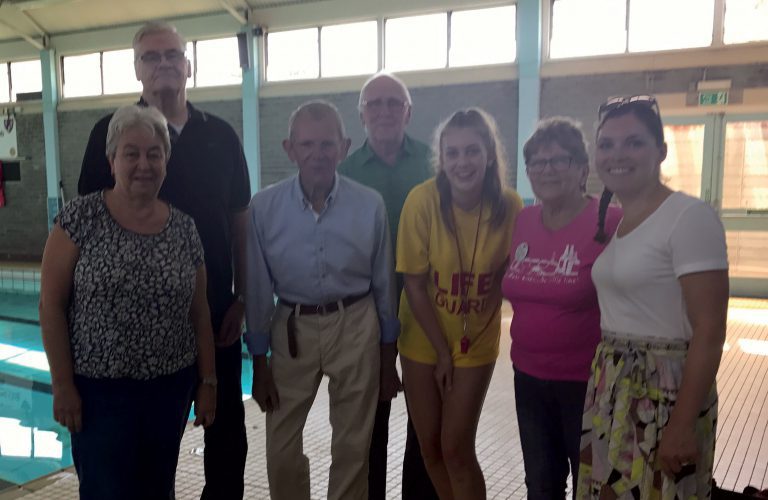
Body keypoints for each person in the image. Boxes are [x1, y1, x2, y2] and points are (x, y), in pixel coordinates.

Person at [77, 21, 250, 499]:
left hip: (215, 314)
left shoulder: (221, 136)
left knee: (227, 439)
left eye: (172, 55)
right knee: (140, 450)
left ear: (188, 65)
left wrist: (243, 297)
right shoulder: (108, 134)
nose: (163, 65)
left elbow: (240, 221)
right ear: (136, 69)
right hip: (138, 327)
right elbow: (86, 229)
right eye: (151, 57)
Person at [39, 105, 216, 500]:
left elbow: (199, 311)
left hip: (169, 388)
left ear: (166, 161)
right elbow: (50, 305)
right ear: (111, 159)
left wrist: (207, 382)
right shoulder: (79, 219)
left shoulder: (184, 228)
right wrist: (63, 384)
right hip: (98, 393)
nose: (143, 164)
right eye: (131, 153)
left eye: (154, 154)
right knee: (105, 491)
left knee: (157, 490)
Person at [245, 100, 400, 500]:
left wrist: (387, 358)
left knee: (352, 446)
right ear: (289, 148)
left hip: (356, 322)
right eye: (307, 144)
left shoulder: (370, 205)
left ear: (345, 146)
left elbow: (385, 284)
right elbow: (259, 289)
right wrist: (258, 362)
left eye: (328, 144)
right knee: (280, 445)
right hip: (292, 325)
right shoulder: (264, 208)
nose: (318, 154)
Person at [576, 95, 729, 498]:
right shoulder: (623, 222)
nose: (617, 154)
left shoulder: (688, 216)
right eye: (606, 144)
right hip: (614, 388)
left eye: (634, 142)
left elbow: (710, 330)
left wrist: (682, 423)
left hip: (663, 394)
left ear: (661, 151)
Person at [397, 108, 523, 499]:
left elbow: (514, 275)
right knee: (430, 446)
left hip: (476, 341)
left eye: (471, 151)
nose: (462, 162)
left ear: (489, 155)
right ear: (441, 157)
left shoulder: (510, 207)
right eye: (452, 153)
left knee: (456, 448)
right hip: (421, 338)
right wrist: (441, 352)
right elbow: (415, 286)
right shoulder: (422, 201)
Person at [501, 117, 621, 499]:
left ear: (583, 170)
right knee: (540, 483)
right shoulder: (523, 220)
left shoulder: (611, 221)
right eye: (536, 162)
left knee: (592, 484)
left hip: (586, 383)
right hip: (528, 377)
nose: (546, 169)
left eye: (559, 161)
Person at [338, 71, 437, 500]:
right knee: (368, 421)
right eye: (374, 104)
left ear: (408, 112)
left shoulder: (434, 163)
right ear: (361, 115)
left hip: (426, 303)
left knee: (425, 418)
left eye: (393, 103)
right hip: (366, 307)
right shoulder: (345, 170)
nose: (384, 111)